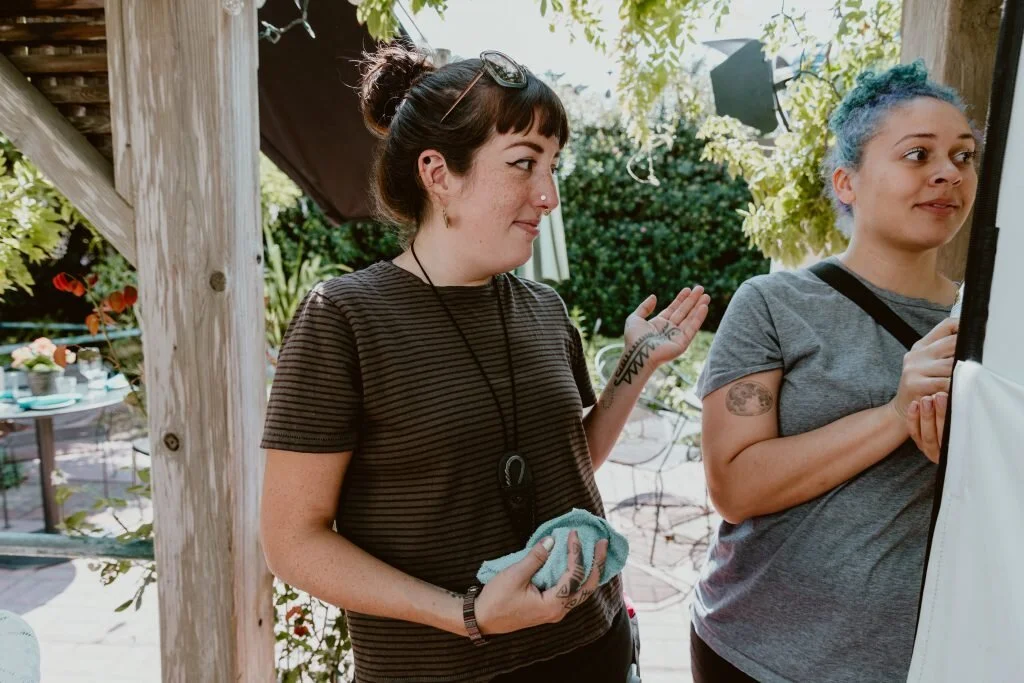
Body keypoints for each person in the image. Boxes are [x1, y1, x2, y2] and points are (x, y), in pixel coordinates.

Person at [259, 44, 710, 683]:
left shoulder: (544, 309)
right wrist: (466, 613)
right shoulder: (344, 318)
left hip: (594, 646)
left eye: (553, 166)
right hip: (440, 670)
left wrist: (635, 366)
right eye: (525, 163)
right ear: (439, 174)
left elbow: (570, 458)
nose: (549, 194)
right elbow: (293, 542)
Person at [691, 61, 978, 682]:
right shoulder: (773, 304)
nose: (948, 173)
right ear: (846, 182)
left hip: (921, 664)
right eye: (916, 154)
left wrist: (966, 462)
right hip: (755, 653)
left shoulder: (990, 324)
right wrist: (896, 415)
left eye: (964, 155)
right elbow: (734, 487)